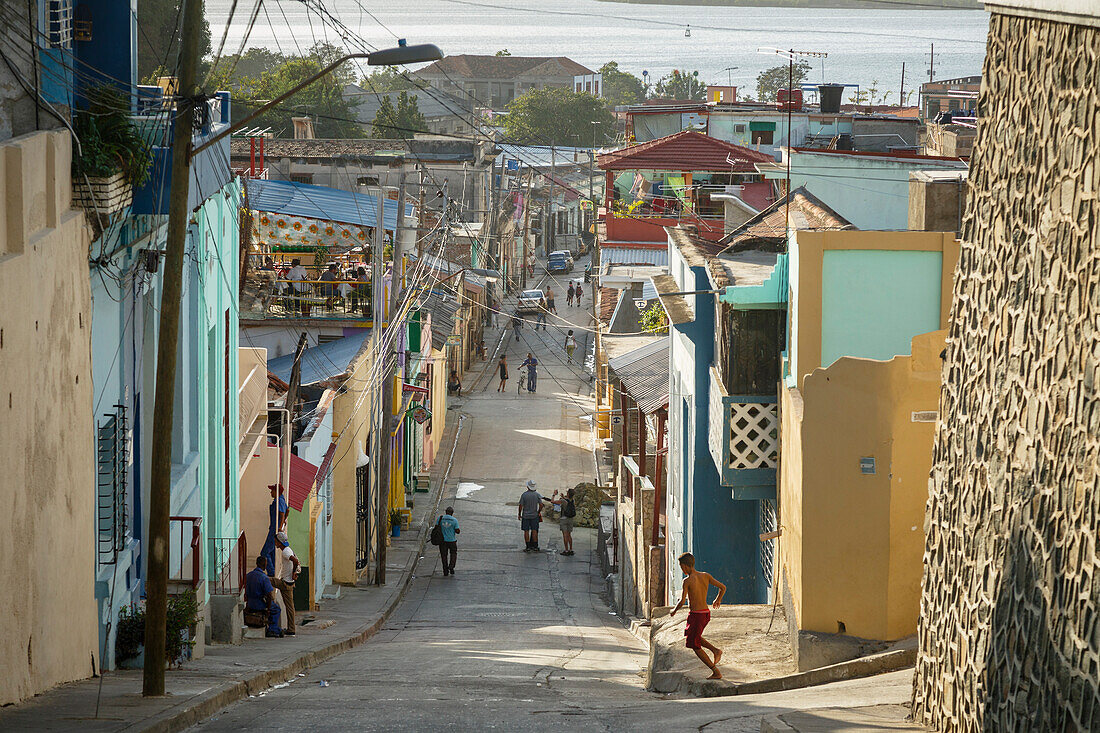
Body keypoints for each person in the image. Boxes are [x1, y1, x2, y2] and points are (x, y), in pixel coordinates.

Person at [670, 553, 726, 680]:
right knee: (695, 637)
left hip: (696, 616)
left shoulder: (687, 581)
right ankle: (716, 651)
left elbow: (682, 601)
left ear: (685, 566)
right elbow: (723, 587)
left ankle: (715, 671)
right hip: (705, 614)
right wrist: (718, 600)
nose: (681, 570)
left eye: (681, 566)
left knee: (694, 645)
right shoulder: (705, 576)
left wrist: (674, 610)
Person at [244, 556, 282, 637]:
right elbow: (269, 595)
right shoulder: (264, 578)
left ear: (257, 564)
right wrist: (268, 609)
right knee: (276, 609)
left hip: (250, 602)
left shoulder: (248, 576)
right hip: (260, 603)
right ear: (265, 565)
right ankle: (273, 629)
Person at [272, 532, 300, 636]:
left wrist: (293, 573)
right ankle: (291, 629)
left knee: (267, 580)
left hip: (285, 583)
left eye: (276, 541)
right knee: (290, 607)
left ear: (279, 542)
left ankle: (291, 629)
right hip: (288, 582)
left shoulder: (285, 552)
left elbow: (295, 561)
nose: (275, 543)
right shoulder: (288, 550)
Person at [261, 485, 289, 577]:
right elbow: (287, 510)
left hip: (274, 531)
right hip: (273, 529)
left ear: (276, 492)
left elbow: (282, 513)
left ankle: (271, 572)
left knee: (264, 552)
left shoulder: (279, 501)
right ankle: (273, 571)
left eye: (272, 491)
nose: (270, 493)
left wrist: (280, 527)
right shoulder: (281, 499)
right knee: (271, 552)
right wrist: (285, 520)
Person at [518, 480, 549, 551]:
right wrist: (538, 512)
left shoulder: (524, 495)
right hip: (534, 515)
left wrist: (519, 514)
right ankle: (535, 546)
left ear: (527, 487)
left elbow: (520, 506)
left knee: (526, 531)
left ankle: (528, 546)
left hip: (525, 515)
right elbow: (541, 505)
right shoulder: (537, 494)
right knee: (534, 530)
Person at [550, 488, 577, 555]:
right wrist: (563, 497)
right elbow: (567, 499)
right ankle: (571, 549)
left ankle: (566, 550)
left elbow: (552, 501)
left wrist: (554, 495)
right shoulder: (573, 500)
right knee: (569, 535)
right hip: (570, 519)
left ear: (567, 494)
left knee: (565, 535)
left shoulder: (563, 501)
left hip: (564, 519)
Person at [437, 506, 460, 576]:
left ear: (445, 511)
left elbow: (436, 528)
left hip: (442, 541)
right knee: (453, 553)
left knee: (444, 556)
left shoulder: (440, 518)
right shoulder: (454, 520)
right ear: (452, 513)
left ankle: (445, 571)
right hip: (452, 541)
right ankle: (451, 566)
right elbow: (457, 531)